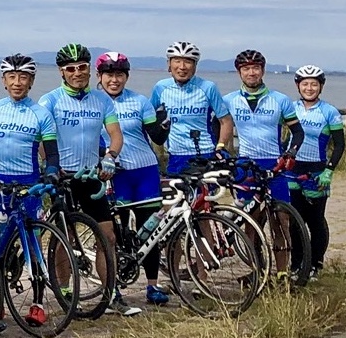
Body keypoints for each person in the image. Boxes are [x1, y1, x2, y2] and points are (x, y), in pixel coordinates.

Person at [0, 54, 61, 326]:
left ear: (31, 81)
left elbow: (52, 153)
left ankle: (37, 304)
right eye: (12, 77)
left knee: (32, 244)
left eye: (23, 77)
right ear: (4, 81)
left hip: (29, 185)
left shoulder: (41, 114)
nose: (17, 82)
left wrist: (52, 172)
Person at [37, 44, 126, 315]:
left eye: (82, 67)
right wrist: (51, 166)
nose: (77, 73)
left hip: (90, 176)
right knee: (64, 238)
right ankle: (65, 291)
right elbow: (41, 139)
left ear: (89, 69)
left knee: (107, 236)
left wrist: (110, 157)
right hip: (62, 177)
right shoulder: (50, 101)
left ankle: (110, 293)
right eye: (71, 69)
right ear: (62, 72)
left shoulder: (102, 100)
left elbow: (115, 134)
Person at [96, 51, 170, 308]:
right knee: (115, 233)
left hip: (145, 170)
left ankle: (152, 285)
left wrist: (164, 125)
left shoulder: (139, 101)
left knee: (150, 230)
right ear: (99, 77)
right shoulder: (93, 103)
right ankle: (113, 287)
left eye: (119, 75)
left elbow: (156, 136)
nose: (114, 80)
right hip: (115, 174)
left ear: (126, 77)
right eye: (109, 75)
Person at [225, 50, 305, 281]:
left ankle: (282, 272)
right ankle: (257, 271)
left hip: (274, 163)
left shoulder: (280, 100)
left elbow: (298, 132)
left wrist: (290, 153)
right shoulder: (229, 100)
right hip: (245, 164)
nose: (251, 72)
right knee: (251, 220)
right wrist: (222, 152)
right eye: (246, 69)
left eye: (255, 68)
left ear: (263, 70)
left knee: (281, 220)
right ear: (239, 72)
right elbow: (218, 128)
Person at [288, 65, 346, 275]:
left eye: (314, 84)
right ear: (298, 86)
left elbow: (339, 145)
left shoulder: (329, 111)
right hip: (292, 169)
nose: (309, 88)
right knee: (294, 221)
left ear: (321, 86)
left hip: (317, 170)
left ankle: (315, 264)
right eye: (305, 84)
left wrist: (329, 170)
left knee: (315, 221)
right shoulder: (291, 107)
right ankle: (297, 265)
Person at [150, 41, 233, 172]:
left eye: (188, 61)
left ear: (195, 66)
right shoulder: (161, 87)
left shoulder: (208, 87)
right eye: (177, 61)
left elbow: (225, 120)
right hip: (176, 156)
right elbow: (148, 117)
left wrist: (221, 146)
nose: (182, 67)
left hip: (206, 154)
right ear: (169, 64)